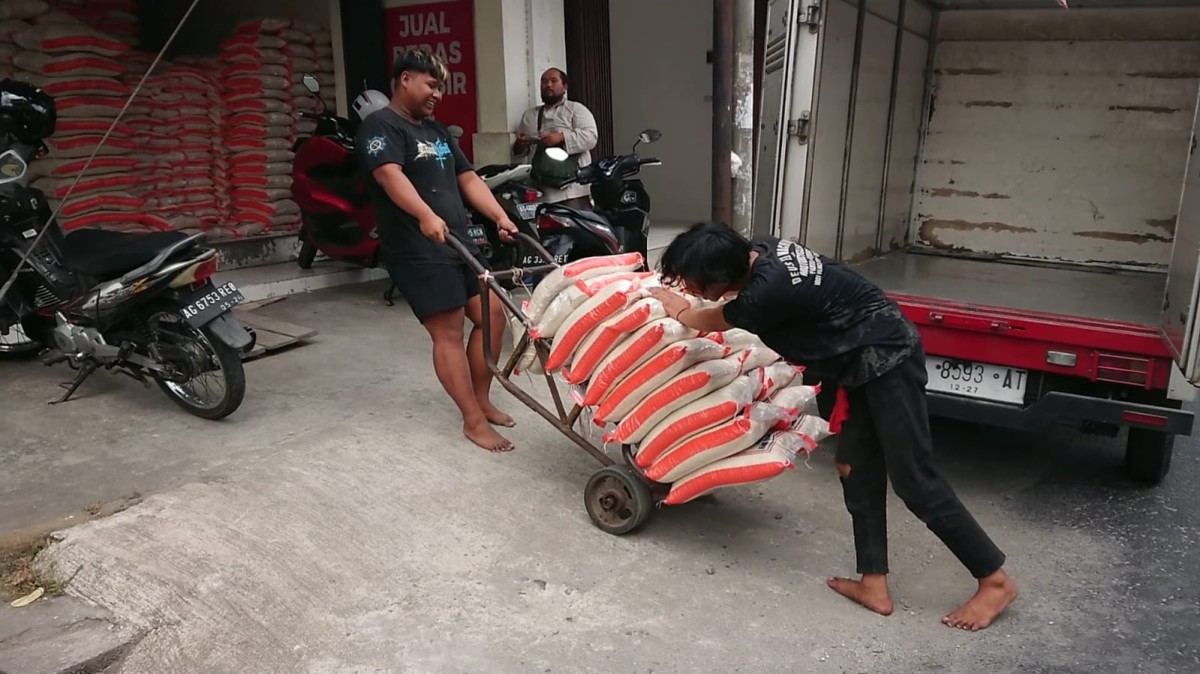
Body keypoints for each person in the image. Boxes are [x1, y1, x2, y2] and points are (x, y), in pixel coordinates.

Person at [646, 222, 1019, 632]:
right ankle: (874, 582)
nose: (693, 287)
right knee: (853, 467)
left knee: (915, 480)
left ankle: (994, 580)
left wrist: (678, 308)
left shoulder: (762, 296)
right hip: (861, 361)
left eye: (696, 280)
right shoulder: (764, 249)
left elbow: (712, 318)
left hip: (888, 359)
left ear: (722, 277)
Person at [357, 47, 520, 453]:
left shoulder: (438, 132)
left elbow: (467, 179)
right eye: (431, 84)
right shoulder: (380, 128)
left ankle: (482, 400)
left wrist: (499, 216)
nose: (437, 94)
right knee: (448, 330)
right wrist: (425, 215)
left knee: (493, 315)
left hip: (459, 241)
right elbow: (389, 177)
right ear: (405, 79)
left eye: (441, 87)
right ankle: (471, 420)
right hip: (416, 246)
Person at [512, 67, 598, 209]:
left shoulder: (576, 109)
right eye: (544, 82)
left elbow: (591, 137)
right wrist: (520, 144)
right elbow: (519, 152)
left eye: (553, 81)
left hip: (571, 189)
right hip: (539, 188)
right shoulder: (530, 115)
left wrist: (561, 137)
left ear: (564, 87)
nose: (548, 85)